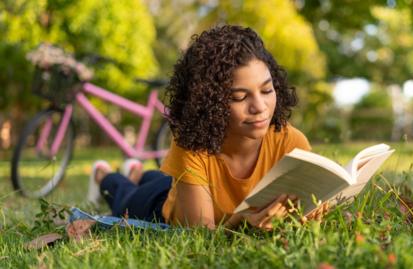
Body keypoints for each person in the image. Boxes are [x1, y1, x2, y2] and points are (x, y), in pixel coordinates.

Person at [88, 25, 325, 230]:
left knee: (159, 177)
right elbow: (202, 235)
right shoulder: (191, 145)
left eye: (266, 90)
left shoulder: (290, 142)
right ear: (209, 102)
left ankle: (138, 172)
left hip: (185, 183)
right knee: (123, 197)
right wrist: (242, 221)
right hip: (159, 205)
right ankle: (103, 175)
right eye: (241, 97)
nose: (260, 107)